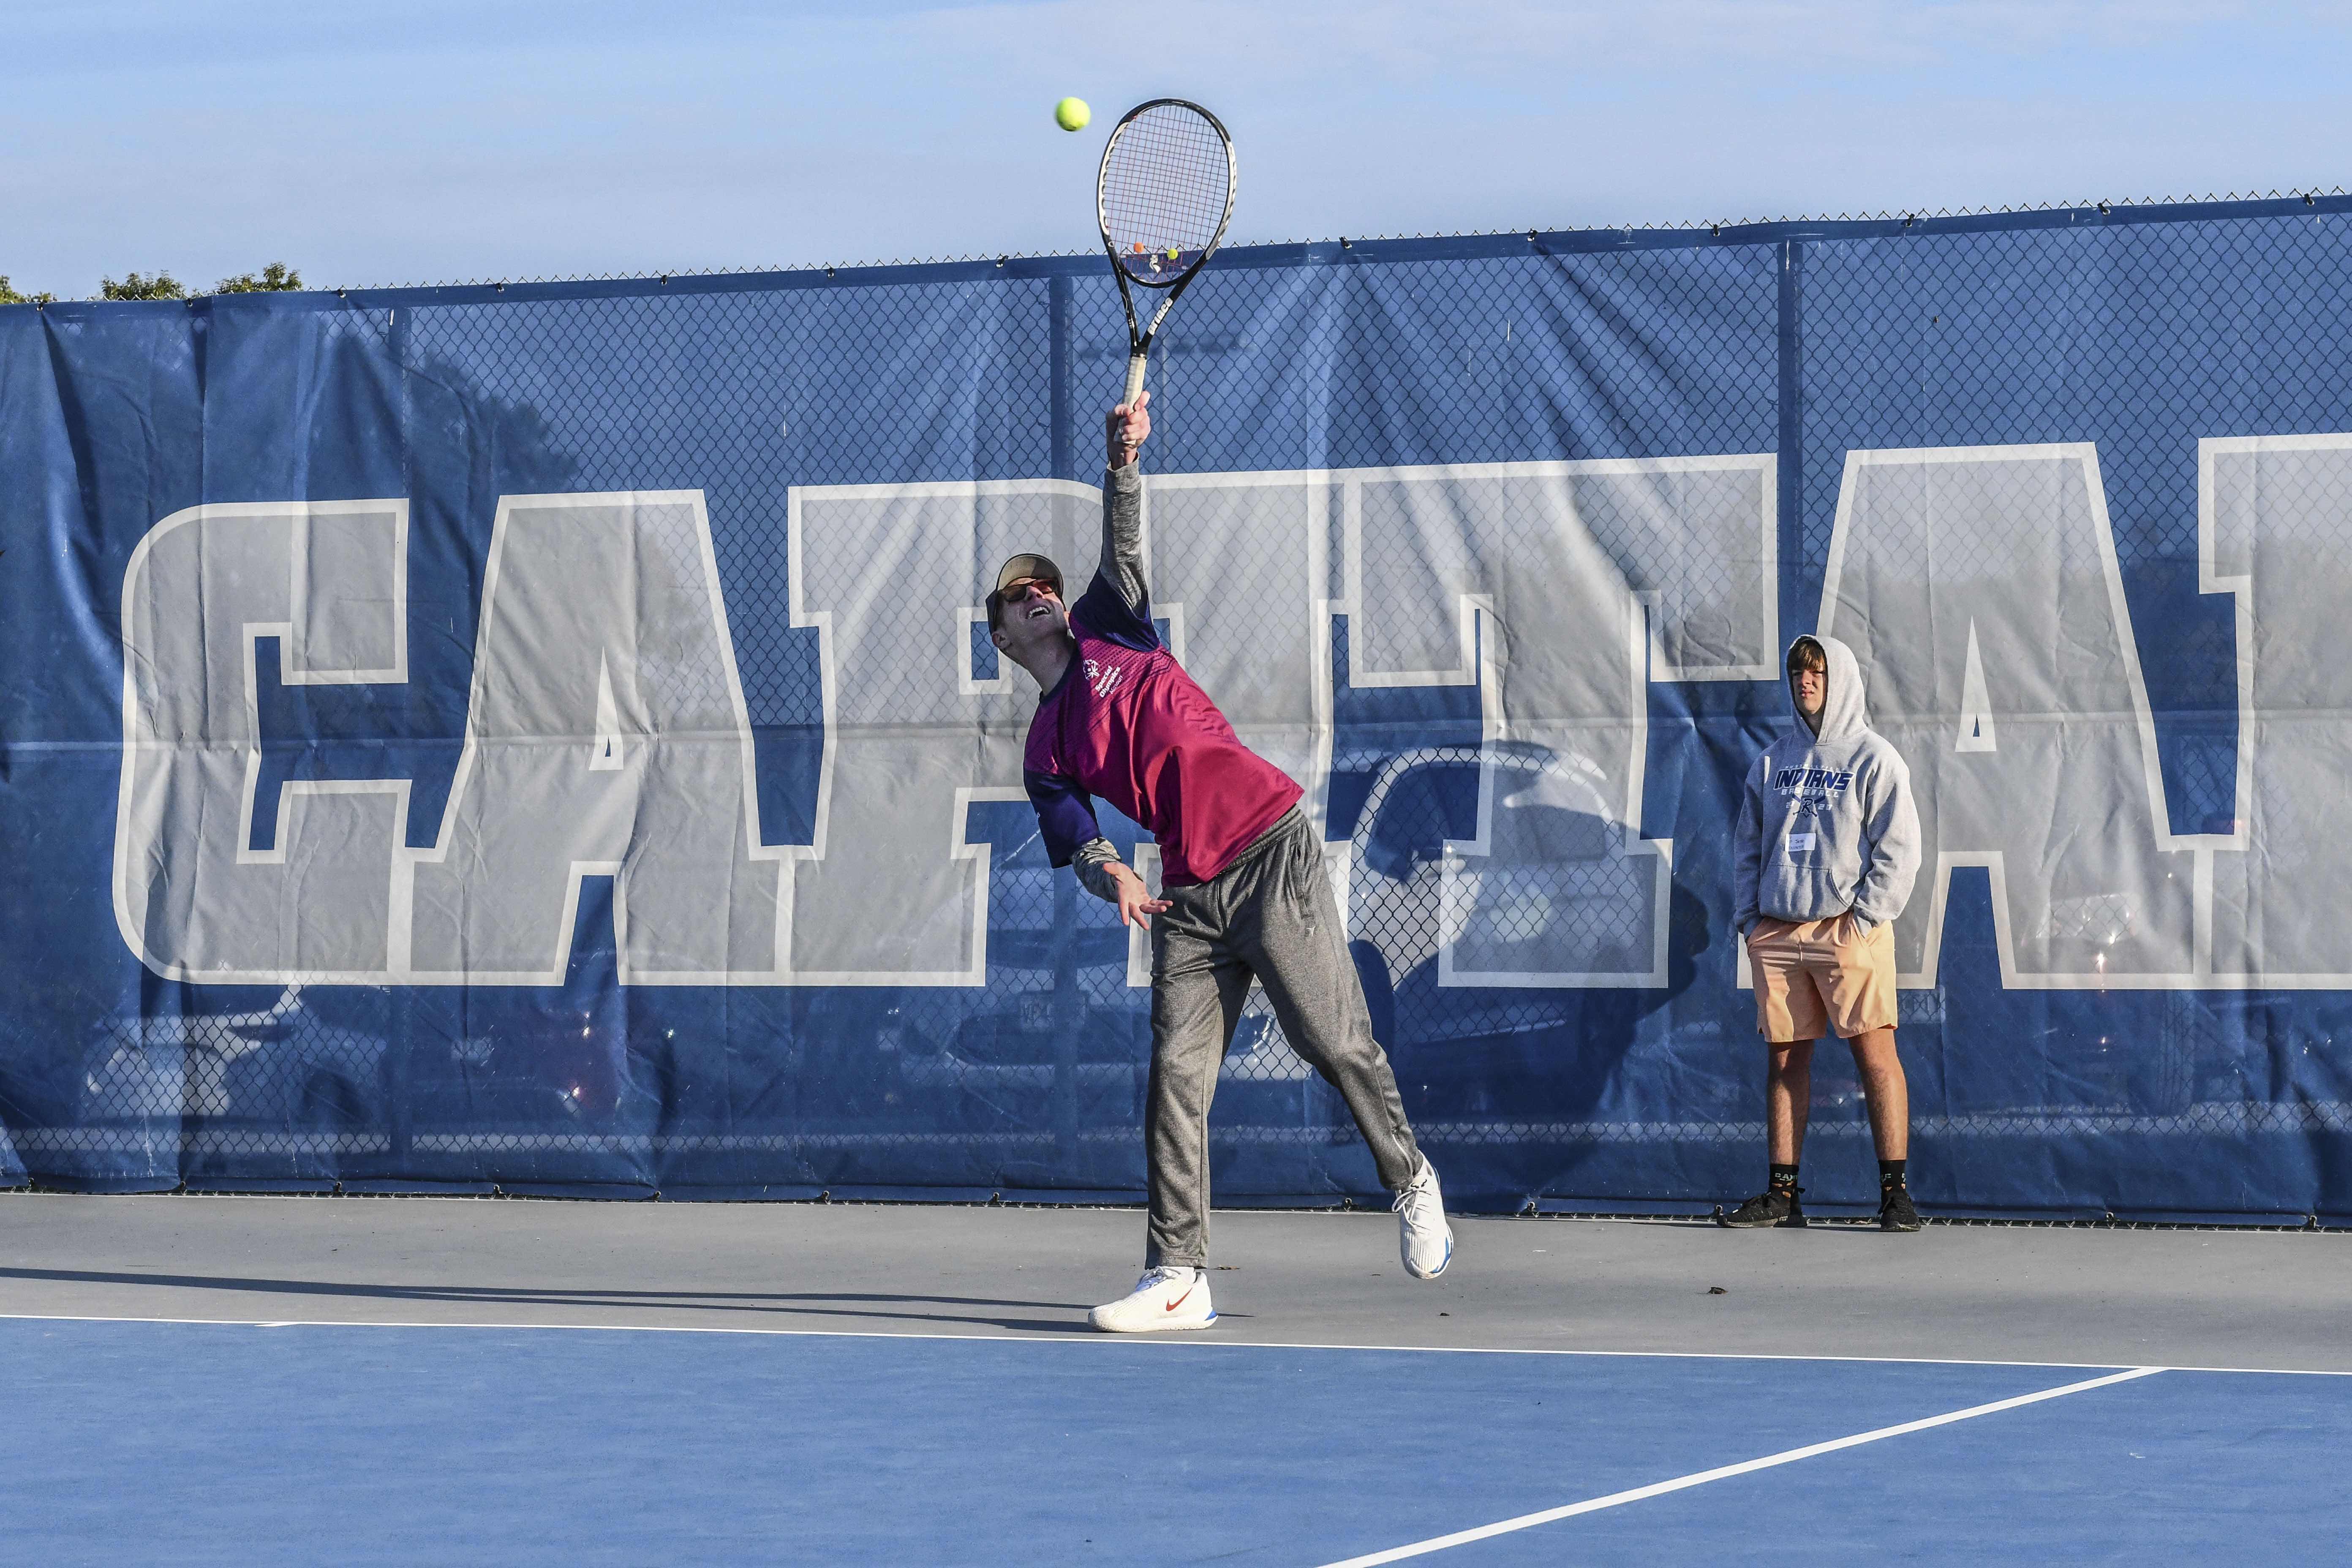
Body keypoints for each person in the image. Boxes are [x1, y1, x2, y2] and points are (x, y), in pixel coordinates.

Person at [989, 391, 1452, 1331]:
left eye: (1043, 583)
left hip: (1268, 845)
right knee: (1176, 1076)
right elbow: (1077, 834)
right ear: (1001, 637)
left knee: (1332, 1040)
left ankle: (1410, 1176)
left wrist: (1122, 460)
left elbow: (1124, 541)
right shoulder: (1044, 745)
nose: (1038, 592)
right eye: (1016, 595)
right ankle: (1179, 1272)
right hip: (1188, 894)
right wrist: (1111, 871)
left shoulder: (1110, 624)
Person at [1723, 634, 1924, 1232]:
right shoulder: (1772, 761)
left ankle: (1895, 1196)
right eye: (1797, 672)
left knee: (1876, 1057)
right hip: (1780, 935)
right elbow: (1747, 847)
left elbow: (1900, 850)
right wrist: (1751, 920)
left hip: (1848, 933)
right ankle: (1783, 1196)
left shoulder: (1874, 757)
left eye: (1817, 672)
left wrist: (1863, 920)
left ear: (1840, 679)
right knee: (1785, 1062)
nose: (1805, 681)